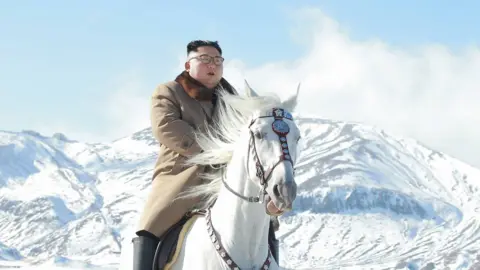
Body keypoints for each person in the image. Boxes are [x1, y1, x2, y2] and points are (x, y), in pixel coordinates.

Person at [131, 40, 280, 270]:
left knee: (264, 224)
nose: (213, 65)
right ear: (188, 65)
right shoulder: (169, 91)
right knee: (151, 226)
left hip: (226, 179)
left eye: (218, 60)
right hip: (182, 177)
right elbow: (166, 127)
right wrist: (212, 150)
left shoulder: (234, 100)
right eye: (205, 59)